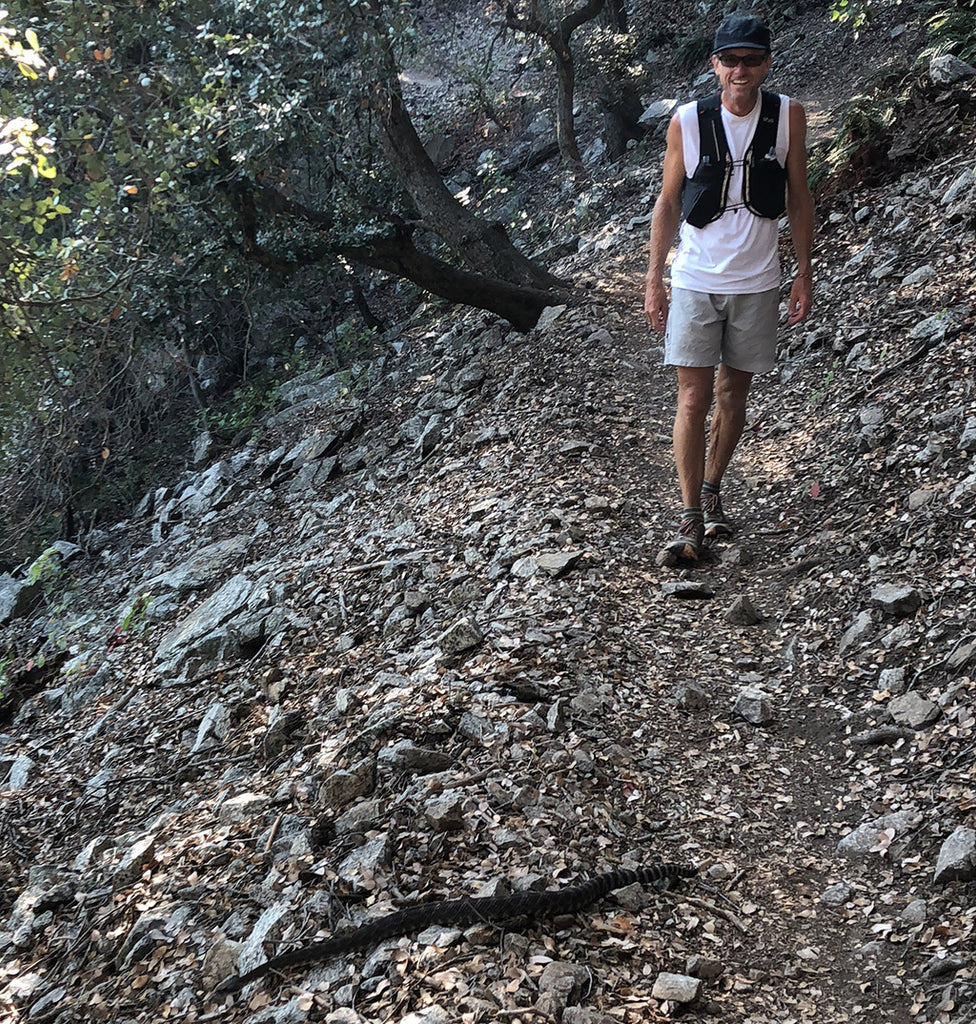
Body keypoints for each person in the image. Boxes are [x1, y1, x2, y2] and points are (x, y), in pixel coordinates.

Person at [644, 12, 814, 562]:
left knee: (732, 397)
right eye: (731, 60)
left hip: (759, 281)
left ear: (767, 63)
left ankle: (714, 488)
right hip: (695, 277)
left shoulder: (789, 117)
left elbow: (799, 198)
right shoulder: (688, 123)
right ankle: (690, 516)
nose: (741, 70)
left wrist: (804, 273)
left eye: (752, 59)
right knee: (692, 398)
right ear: (714, 65)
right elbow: (668, 202)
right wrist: (654, 278)